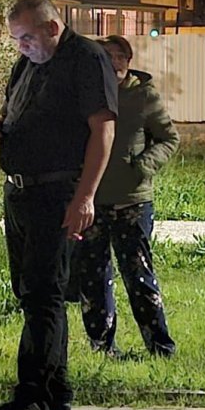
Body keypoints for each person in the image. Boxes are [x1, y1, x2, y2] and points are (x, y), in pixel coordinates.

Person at [0, 0, 119, 410]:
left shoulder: (85, 59)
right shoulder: (27, 64)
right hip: (20, 190)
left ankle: (32, 396)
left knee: (44, 292)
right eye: (15, 40)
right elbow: (23, 116)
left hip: (57, 191)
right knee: (33, 290)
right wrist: (0, 130)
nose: (20, 47)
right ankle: (55, 387)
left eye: (25, 38)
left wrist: (85, 197)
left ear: (52, 29)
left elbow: (103, 129)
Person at [77, 34, 179, 358]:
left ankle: (160, 347)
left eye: (120, 55)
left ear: (128, 61)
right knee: (93, 279)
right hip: (91, 203)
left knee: (139, 276)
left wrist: (142, 166)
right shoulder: (85, 95)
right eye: (106, 56)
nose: (114, 62)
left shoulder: (143, 95)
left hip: (133, 202)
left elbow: (168, 138)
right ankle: (101, 348)